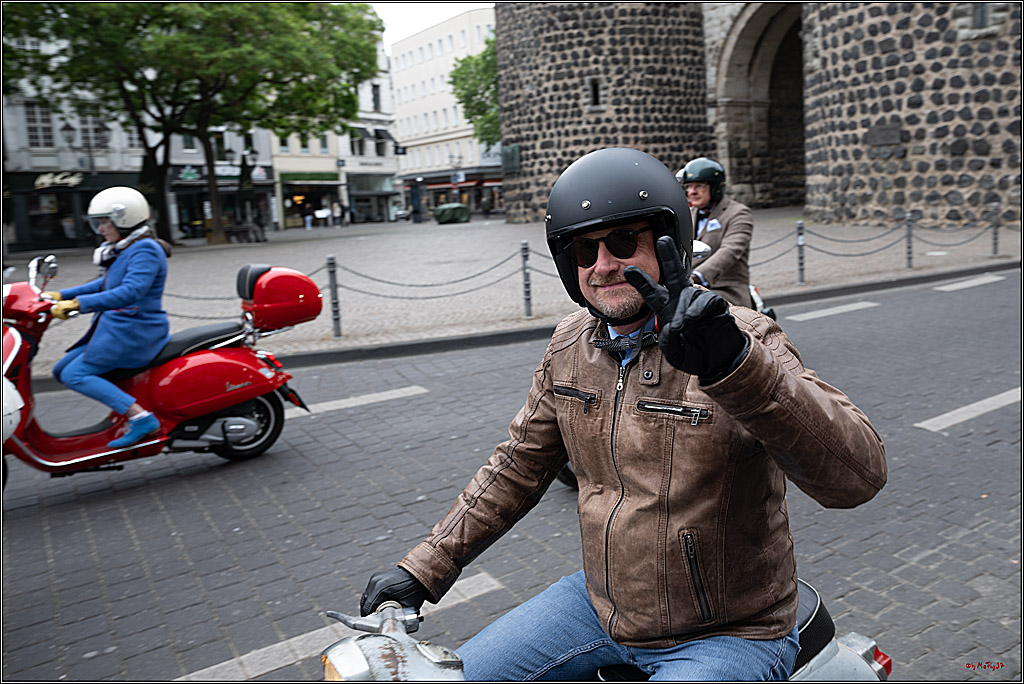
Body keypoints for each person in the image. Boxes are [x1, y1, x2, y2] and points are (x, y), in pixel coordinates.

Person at [359, 148, 887, 681]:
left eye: (622, 242)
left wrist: (734, 365)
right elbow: (517, 467)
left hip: (728, 629)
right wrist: (425, 567)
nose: (603, 265)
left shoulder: (746, 338)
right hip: (598, 605)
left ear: (670, 242)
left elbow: (857, 478)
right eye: (584, 250)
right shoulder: (570, 345)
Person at [44, 186, 171, 449]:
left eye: (105, 222)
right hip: (116, 329)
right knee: (59, 370)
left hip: (136, 332)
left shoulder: (145, 250)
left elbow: (131, 291)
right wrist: (58, 295)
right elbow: (103, 285)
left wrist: (79, 305)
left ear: (124, 220)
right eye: (99, 222)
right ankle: (127, 407)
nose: (101, 228)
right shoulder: (125, 248)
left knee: (74, 375)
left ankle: (141, 418)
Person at [676, 157, 755, 308]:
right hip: (690, 288)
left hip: (725, 289)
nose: (692, 192)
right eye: (689, 186)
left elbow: (730, 251)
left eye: (699, 186)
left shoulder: (739, 214)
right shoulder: (688, 213)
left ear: (715, 188)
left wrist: (696, 276)